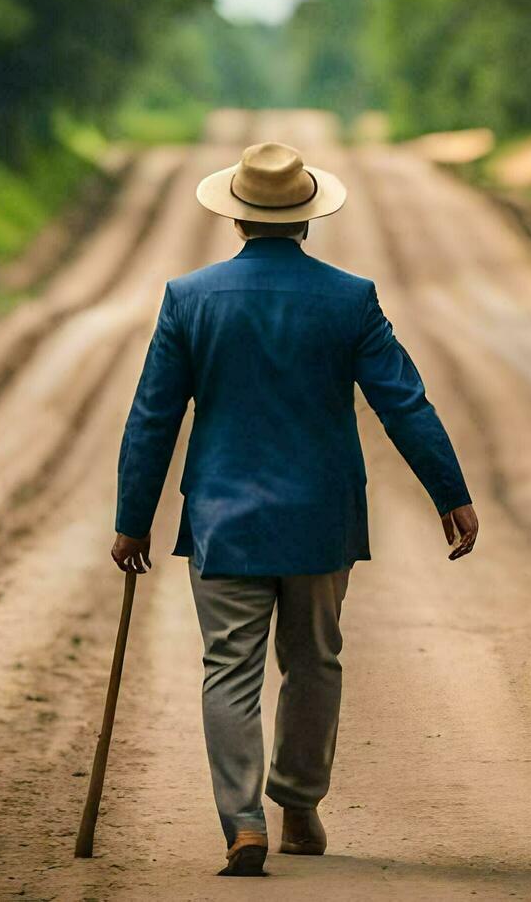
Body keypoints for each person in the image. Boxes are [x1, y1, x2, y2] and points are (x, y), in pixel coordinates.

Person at [110, 141, 478, 876]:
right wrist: (451, 493)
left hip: (223, 519)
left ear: (236, 220)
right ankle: (299, 806)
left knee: (228, 668)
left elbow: (154, 415)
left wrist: (131, 516)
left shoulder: (189, 299)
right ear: (306, 220)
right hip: (319, 521)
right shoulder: (350, 299)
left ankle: (243, 820)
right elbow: (403, 401)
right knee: (314, 661)